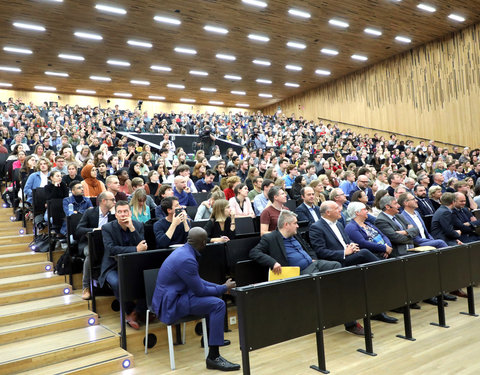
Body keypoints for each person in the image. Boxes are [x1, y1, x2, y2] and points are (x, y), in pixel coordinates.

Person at [151, 227, 240, 371]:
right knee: (218, 304)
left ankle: (209, 340)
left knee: (214, 300)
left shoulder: (184, 252)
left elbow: (198, 281)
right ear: (203, 243)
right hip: (170, 304)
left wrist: (221, 287)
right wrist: (223, 288)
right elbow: (200, 290)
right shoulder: (187, 259)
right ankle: (213, 357)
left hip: (176, 296)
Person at [100, 200, 147, 329]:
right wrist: (134, 249)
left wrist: (132, 229)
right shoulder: (107, 228)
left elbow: (143, 246)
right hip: (112, 265)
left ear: (130, 213)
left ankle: (135, 313)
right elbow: (111, 249)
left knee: (149, 279)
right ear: (115, 215)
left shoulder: (138, 225)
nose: (122, 214)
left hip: (133, 265)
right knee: (117, 282)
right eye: (119, 212)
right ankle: (132, 311)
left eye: (125, 211)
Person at [250, 210, 341, 274]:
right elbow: (254, 252)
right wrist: (273, 262)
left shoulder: (295, 234)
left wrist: (313, 258)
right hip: (299, 271)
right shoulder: (270, 238)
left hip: (312, 264)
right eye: (295, 223)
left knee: (336, 265)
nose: (297, 226)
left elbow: (308, 248)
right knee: (319, 276)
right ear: (286, 225)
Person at [76, 191, 115, 300]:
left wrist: (113, 215)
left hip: (107, 243)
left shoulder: (114, 214)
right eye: (112, 200)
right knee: (90, 254)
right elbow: (79, 230)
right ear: (103, 201)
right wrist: (94, 230)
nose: (114, 202)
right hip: (90, 243)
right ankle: (86, 287)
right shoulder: (90, 212)